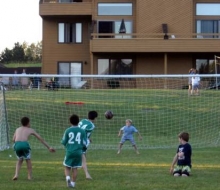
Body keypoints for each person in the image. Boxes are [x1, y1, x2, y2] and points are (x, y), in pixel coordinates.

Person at [61, 114, 87, 188]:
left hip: (69, 151)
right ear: (78, 122)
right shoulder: (82, 131)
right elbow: (85, 143)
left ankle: (68, 178)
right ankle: (73, 183)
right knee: (75, 168)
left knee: (67, 166)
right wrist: (83, 148)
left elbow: (63, 141)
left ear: (70, 122)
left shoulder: (68, 130)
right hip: (78, 152)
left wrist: (67, 145)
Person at [78, 110, 98, 179]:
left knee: (83, 155)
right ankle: (87, 174)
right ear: (95, 118)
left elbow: (80, 129)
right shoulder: (92, 125)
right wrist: (87, 138)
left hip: (76, 139)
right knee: (83, 156)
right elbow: (83, 132)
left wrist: (88, 138)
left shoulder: (83, 120)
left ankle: (81, 165)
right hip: (81, 142)